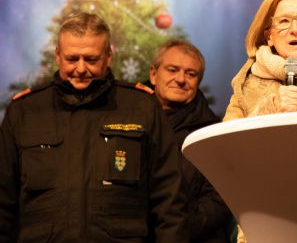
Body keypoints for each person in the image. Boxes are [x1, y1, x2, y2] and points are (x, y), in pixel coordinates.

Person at [0, 12, 186, 242]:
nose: (80, 68)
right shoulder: (24, 112)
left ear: (109, 56)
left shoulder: (143, 107)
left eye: (90, 59)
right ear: (57, 55)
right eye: (72, 59)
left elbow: (169, 201)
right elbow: (3, 203)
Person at [148, 39, 233, 243]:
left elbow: (219, 201)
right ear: (153, 75)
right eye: (172, 70)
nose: (181, 79)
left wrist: (174, 229)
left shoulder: (211, 134)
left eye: (191, 74)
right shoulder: (130, 123)